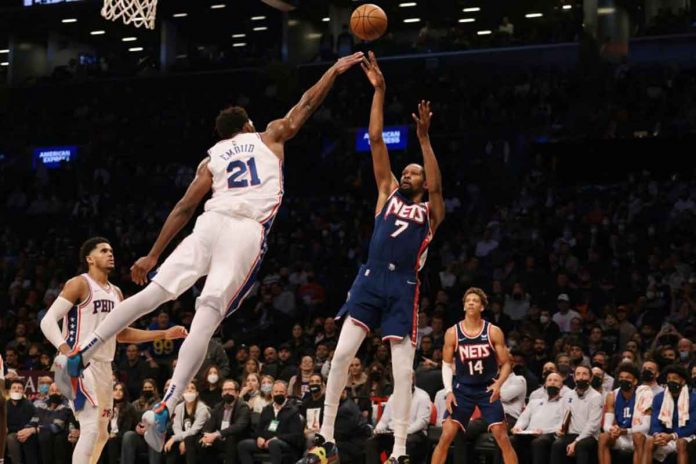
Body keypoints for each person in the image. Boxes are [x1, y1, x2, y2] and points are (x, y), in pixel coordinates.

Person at [60, 51, 365, 451]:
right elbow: (304, 106)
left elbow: (184, 207)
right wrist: (333, 71)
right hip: (243, 232)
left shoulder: (213, 157)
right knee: (208, 313)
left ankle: (81, 351)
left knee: (152, 294)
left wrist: (152, 255)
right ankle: (166, 405)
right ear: (248, 124)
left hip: (208, 223)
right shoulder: (268, 135)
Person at [306, 51, 445, 464]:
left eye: (415, 172)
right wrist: (379, 91)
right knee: (341, 355)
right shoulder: (386, 192)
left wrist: (424, 140)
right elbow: (377, 138)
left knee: (404, 373)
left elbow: (437, 190)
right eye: (407, 171)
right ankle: (325, 436)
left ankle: (400, 450)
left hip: (403, 285)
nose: (408, 174)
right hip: (369, 279)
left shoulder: (430, 212)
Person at [41, 237, 187, 463]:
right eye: (103, 251)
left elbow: (122, 333)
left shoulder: (116, 292)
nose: (110, 254)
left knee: (102, 433)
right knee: (90, 427)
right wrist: (65, 350)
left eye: (111, 250)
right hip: (78, 365)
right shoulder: (79, 283)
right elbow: (47, 321)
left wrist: (163, 334)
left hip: (104, 366)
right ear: (90, 259)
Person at [431, 287, 518, 464]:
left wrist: (499, 383)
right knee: (446, 434)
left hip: (487, 388)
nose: (471, 302)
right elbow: (446, 364)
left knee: (502, 436)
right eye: (468, 300)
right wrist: (449, 391)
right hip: (463, 388)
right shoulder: (452, 333)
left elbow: (507, 363)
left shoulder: (493, 331)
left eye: (475, 300)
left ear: (482, 307)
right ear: (463, 306)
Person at [597, 363, 653, 464]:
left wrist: (626, 431)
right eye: (621, 378)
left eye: (627, 378)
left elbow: (646, 426)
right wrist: (613, 430)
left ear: (635, 381)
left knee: (638, 437)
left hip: (635, 435)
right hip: (619, 437)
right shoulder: (612, 395)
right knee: (603, 437)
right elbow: (606, 424)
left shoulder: (645, 394)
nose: (624, 380)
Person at [238, 380, 304, 464]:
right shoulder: (267, 409)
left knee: (273, 443)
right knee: (243, 445)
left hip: (284, 444)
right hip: (266, 441)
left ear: (286, 394)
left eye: (281, 392)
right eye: (276, 391)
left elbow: (296, 436)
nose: (278, 394)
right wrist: (259, 437)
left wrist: (277, 438)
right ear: (272, 394)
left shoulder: (292, 411)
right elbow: (259, 429)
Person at [365, 382, 432, 464]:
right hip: (392, 433)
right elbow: (384, 420)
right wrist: (378, 429)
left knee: (409, 442)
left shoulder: (423, 396)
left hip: (414, 434)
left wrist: (404, 432)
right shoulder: (393, 396)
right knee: (371, 442)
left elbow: (422, 421)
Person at [641, 364, 696, 464]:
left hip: (686, 436)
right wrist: (658, 435)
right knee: (649, 441)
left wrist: (672, 436)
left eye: (674, 379)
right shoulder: (659, 398)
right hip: (665, 437)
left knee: (681, 443)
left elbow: (692, 426)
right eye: (669, 379)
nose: (671, 381)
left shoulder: (693, 399)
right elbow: (655, 422)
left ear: (683, 381)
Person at [550, 364, 603, 464]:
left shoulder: (596, 397)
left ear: (591, 378)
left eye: (584, 374)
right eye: (578, 374)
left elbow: (593, 425)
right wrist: (559, 429)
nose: (581, 377)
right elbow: (563, 417)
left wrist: (576, 441)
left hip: (590, 436)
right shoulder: (568, 395)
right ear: (574, 378)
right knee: (557, 444)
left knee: (580, 446)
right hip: (571, 434)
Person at [511, 373, 567, 464]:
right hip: (529, 433)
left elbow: (561, 424)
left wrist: (543, 431)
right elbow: (524, 418)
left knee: (538, 442)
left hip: (550, 434)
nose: (552, 382)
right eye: (549, 380)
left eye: (556, 380)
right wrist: (517, 427)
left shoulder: (564, 403)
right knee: (511, 440)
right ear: (545, 385)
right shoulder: (534, 402)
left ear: (561, 386)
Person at [194, 379, 251, 464]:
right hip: (219, 439)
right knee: (199, 441)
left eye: (230, 390)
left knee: (230, 438)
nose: (227, 392)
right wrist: (206, 435)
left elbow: (239, 426)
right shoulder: (218, 407)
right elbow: (209, 424)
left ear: (237, 393)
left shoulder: (243, 407)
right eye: (224, 390)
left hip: (236, 438)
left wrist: (216, 434)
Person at [163, 382, 210, 464]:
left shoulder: (203, 409)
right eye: (187, 388)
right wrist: (181, 440)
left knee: (188, 441)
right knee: (171, 447)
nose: (189, 390)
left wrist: (174, 438)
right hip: (183, 436)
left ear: (197, 393)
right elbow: (176, 427)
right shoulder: (178, 407)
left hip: (199, 438)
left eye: (192, 388)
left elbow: (194, 431)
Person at [35, 382, 71, 464]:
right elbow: (34, 419)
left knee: (46, 436)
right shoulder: (42, 405)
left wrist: (39, 428)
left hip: (58, 434)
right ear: (48, 393)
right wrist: (28, 428)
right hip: (42, 432)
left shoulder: (66, 406)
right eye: (52, 390)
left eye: (57, 391)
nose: (54, 393)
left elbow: (57, 427)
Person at [6, 380, 39, 464]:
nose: (16, 390)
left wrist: (28, 430)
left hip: (26, 432)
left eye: (19, 388)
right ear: (9, 391)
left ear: (23, 391)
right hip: (11, 433)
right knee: (10, 438)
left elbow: (36, 419)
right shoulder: (5, 405)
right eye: (14, 388)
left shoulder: (29, 405)